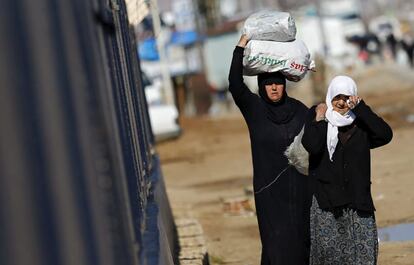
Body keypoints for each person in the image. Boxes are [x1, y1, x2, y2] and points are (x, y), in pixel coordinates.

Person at [228, 34, 311, 265]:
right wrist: (240, 48)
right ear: (261, 86)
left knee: (303, 242)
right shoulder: (255, 109)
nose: (274, 88)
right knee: (276, 244)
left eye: (278, 83)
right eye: (268, 84)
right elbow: (235, 84)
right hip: (270, 192)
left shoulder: (300, 110)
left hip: (301, 190)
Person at [301, 76, 393, 265]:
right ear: (330, 97)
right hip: (328, 202)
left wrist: (361, 108)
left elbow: (385, 135)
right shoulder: (319, 116)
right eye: (337, 97)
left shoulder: (361, 123)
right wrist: (318, 119)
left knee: (364, 256)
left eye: (346, 97)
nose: (341, 102)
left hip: (359, 201)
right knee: (330, 257)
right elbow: (312, 146)